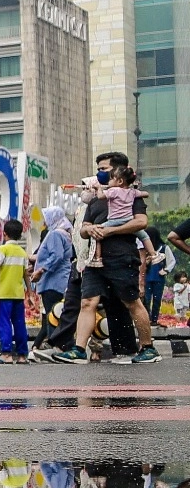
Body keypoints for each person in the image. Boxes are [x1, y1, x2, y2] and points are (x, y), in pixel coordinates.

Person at [51, 156, 159, 364]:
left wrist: (111, 230)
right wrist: (89, 229)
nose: (100, 173)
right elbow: (83, 228)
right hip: (94, 260)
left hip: (122, 257)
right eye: (98, 169)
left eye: (104, 169)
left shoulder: (131, 196)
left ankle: (148, 348)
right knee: (87, 302)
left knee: (131, 302)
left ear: (118, 172)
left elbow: (141, 222)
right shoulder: (96, 199)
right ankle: (79, 349)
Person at [32, 206, 76, 354]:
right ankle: (64, 344)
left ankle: (56, 345)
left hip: (52, 281)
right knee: (58, 312)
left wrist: (40, 270)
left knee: (52, 314)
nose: (45, 222)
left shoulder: (55, 234)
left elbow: (56, 256)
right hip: (61, 280)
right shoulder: (66, 233)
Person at [0, 219, 33, 363]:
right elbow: (26, 275)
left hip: (5, 294)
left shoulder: (3, 250)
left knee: (4, 322)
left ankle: (6, 353)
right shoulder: (22, 253)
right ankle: (22, 355)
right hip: (18, 294)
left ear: (4, 234)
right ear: (20, 236)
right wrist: (30, 293)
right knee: (19, 324)